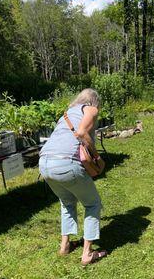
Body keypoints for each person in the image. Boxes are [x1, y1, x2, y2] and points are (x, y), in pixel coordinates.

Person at [39, 88, 107, 265]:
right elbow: (82, 133)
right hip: (65, 163)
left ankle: (65, 246)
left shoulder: (67, 113)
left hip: (45, 163)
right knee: (92, 203)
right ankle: (87, 253)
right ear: (93, 102)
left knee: (67, 202)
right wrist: (97, 157)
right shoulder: (90, 109)